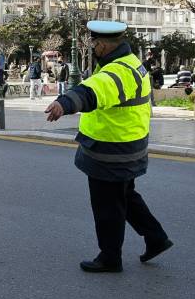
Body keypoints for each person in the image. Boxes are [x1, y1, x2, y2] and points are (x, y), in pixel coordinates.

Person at [44, 20, 172, 274]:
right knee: (125, 197)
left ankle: (110, 257)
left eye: (93, 44)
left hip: (110, 151)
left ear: (101, 45)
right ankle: (156, 238)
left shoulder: (114, 73)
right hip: (130, 145)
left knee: (107, 207)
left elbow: (91, 92)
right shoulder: (133, 63)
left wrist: (64, 103)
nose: (92, 48)